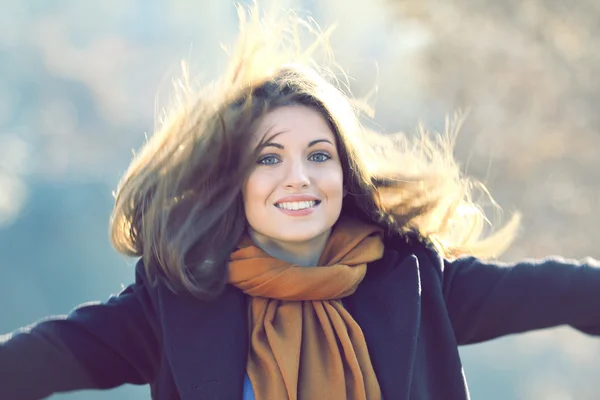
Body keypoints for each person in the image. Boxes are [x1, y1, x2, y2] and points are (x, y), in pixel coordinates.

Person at [2, 6, 600, 400]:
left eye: (319, 155)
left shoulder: (416, 281)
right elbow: (41, 358)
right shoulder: (174, 303)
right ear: (233, 181)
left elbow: (570, 292)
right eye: (268, 158)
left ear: (345, 174)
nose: (299, 178)